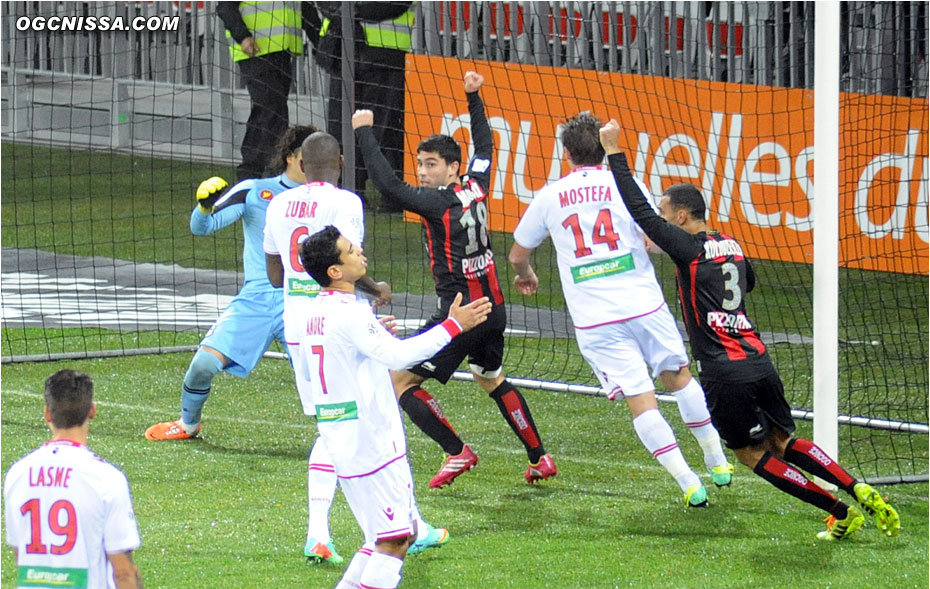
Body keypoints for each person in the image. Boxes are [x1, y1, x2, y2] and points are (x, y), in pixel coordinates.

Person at [598, 118, 901, 539]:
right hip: (758, 358)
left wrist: (614, 152)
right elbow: (749, 283)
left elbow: (642, 213)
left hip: (725, 371)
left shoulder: (688, 249)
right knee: (784, 441)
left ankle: (839, 510)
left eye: (669, 216)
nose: (662, 224)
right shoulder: (734, 245)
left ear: (682, 216)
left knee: (752, 455)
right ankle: (856, 485)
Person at [143, 126, 351, 564]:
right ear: (293, 157)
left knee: (330, 384)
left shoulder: (334, 199)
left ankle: (339, 445)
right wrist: (202, 205)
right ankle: (189, 423)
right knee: (201, 366)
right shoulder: (256, 192)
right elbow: (203, 227)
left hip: (308, 301)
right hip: (259, 299)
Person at [508, 112, 733, 507]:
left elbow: (517, 254)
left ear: (566, 153)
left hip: (596, 318)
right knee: (678, 377)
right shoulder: (626, 183)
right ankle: (716, 461)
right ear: (603, 147)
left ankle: (688, 484)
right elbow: (653, 235)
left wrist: (526, 274)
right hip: (644, 303)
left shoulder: (548, 196)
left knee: (639, 398)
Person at [354, 71, 558, 489]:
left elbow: (386, 184)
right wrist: (474, 96)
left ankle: (456, 451)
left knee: (399, 381)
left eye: (431, 165)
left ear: (452, 167)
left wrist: (364, 133)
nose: (423, 172)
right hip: (495, 307)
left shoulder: (436, 202)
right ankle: (540, 458)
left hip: (462, 315)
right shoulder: (477, 185)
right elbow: (484, 145)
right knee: (490, 378)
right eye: (420, 164)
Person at [263, 130, 449, 559]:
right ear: (342, 163)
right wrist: (374, 288)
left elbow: (276, 275)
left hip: (300, 326)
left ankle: (329, 531)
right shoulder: (346, 202)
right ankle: (392, 526)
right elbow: (347, 260)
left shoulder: (279, 205)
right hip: (341, 317)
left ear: (302, 167)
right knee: (371, 413)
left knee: (332, 420)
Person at [300, 226, 492, 589]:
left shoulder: (314, 310)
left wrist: (371, 339)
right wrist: (455, 325)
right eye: (351, 251)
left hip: (350, 433)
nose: (361, 253)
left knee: (384, 534)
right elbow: (401, 357)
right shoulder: (351, 313)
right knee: (394, 539)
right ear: (335, 271)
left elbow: (343, 354)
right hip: (367, 439)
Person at [3, 370, 149, 589]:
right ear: (92, 410)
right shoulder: (107, 479)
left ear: (47, 413)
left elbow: (21, 556)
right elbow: (123, 572)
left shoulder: (16, 475)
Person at [314, 1, 414, 211]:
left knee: (383, 130)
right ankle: (350, 189)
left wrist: (351, 11)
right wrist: (346, 12)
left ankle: (391, 194)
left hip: (384, 54)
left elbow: (398, 4)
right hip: (343, 49)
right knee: (341, 126)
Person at [216, 1, 308, 182]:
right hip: (255, 50)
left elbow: (303, 7)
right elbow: (225, 6)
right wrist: (243, 36)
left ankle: (265, 170)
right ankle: (254, 171)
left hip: (281, 50)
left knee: (274, 112)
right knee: (269, 109)